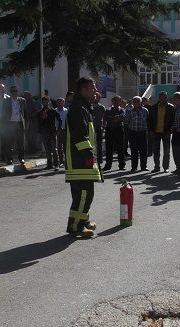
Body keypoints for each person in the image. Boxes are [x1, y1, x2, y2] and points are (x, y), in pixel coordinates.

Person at [65, 77, 103, 238]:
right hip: (79, 161)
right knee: (83, 195)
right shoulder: (78, 108)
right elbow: (80, 136)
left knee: (85, 194)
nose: (95, 90)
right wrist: (88, 156)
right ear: (83, 90)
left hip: (83, 160)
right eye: (92, 88)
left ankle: (82, 220)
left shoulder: (84, 107)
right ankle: (76, 226)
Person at [147, 91, 175, 172]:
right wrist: (151, 131)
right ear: (159, 98)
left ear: (166, 98)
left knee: (166, 151)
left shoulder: (171, 107)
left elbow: (172, 120)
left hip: (166, 132)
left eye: (164, 98)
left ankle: (165, 167)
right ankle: (157, 167)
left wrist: (170, 130)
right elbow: (150, 121)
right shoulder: (153, 107)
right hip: (156, 132)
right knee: (156, 151)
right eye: (161, 98)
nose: (163, 99)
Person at [2, 85, 27, 164]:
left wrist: (26, 123)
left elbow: (25, 112)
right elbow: (4, 113)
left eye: (16, 91)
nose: (14, 92)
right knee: (9, 142)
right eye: (13, 91)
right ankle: (9, 159)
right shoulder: (6, 101)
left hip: (19, 123)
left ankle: (21, 158)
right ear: (10, 92)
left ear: (18, 92)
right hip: (10, 123)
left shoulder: (22, 100)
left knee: (20, 143)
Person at [125, 96, 150, 171]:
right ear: (132, 103)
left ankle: (144, 166)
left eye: (137, 101)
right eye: (134, 101)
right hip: (133, 133)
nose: (136, 103)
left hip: (143, 132)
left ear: (141, 102)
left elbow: (148, 121)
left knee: (143, 151)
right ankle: (134, 167)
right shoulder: (129, 111)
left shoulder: (145, 110)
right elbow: (126, 121)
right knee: (134, 151)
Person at [102, 96, 127, 171]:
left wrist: (112, 118)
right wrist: (116, 118)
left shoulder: (122, 110)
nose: (116, 102)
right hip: (109, 130)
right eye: (114, 100)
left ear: (120, 101)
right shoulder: (108, 110)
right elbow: (105, 118)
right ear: (112, 101)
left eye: (118, 101)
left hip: (118, 129)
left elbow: (121, 118)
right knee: (109, 149)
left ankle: (122, 165)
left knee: (120, 148)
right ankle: (108, 165)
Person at [38, 96, 60, 170]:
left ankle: (56, 164)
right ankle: (49, 164)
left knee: (54, 149)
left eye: (46, 102)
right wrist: (43, 119)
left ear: (49, 102)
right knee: (47, 150)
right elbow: (39, 124)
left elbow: (59, 120)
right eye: (44, 102)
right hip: (44, 132)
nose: (45, 103)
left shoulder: (53, 111)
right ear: (42, 103)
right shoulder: (40, 112)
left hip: (52, 132)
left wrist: (58, 128)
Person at [170, 92, 180, 174]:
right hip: (175, 131)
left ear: (178, 98)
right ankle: (178, 167)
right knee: (175, 150)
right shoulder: (176, 107)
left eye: (174, 99)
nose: (173, 101)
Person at [92, 92, 106, 166]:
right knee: (91, 145)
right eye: (95, 96)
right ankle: (92, 160)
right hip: (90, 128)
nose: (96, 98)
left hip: (99, 128)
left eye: (98, 97)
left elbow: (104, 118)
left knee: (99, 144)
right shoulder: (89, 106)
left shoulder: (102, 107)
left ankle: (100, 159)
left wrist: (103, 127)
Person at [55, 97, 69, 166]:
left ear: (64, 103)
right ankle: (61, 161)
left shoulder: (66, 111)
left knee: (66, 146)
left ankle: (67, 160)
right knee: (59, 147)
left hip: (65, 130)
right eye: (58, 102)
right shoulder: (55, 111)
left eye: (61, 102)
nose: (60, 104)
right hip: (58, 130)